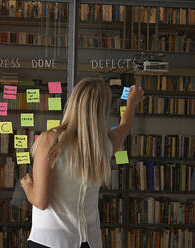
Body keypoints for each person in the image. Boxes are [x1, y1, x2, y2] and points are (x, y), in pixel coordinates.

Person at [21, 78, 144, 248]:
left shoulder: (50, 140)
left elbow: (41, 202)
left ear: (73, 102)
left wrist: (27, 186)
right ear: (103, 111)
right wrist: (132, 102)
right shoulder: (104, 146)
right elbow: (125, 125)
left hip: (50, 240)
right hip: (89, 241)